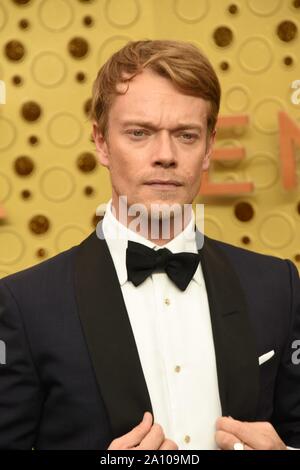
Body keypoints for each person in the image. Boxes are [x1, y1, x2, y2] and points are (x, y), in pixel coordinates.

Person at [0, 40, 299, 450]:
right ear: (101, 142)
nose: (165, 155)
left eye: (186, 135)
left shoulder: (278, 286)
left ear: (210, 146)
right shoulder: (23, 304)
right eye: (139, 133)